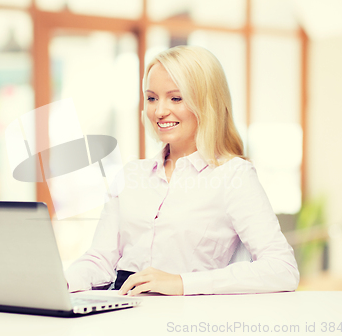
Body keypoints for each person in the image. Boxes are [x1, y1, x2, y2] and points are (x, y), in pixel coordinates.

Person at [64, 45, 299, 296]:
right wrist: (63, 281)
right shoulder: (131, 174)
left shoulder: (233, 176)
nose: (160, 110)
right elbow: (101, 259)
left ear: (206, 102)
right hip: (122, 307)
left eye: (176, 98)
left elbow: (282, 269)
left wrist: (181, 283)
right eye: (152, 98)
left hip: (187, 316)